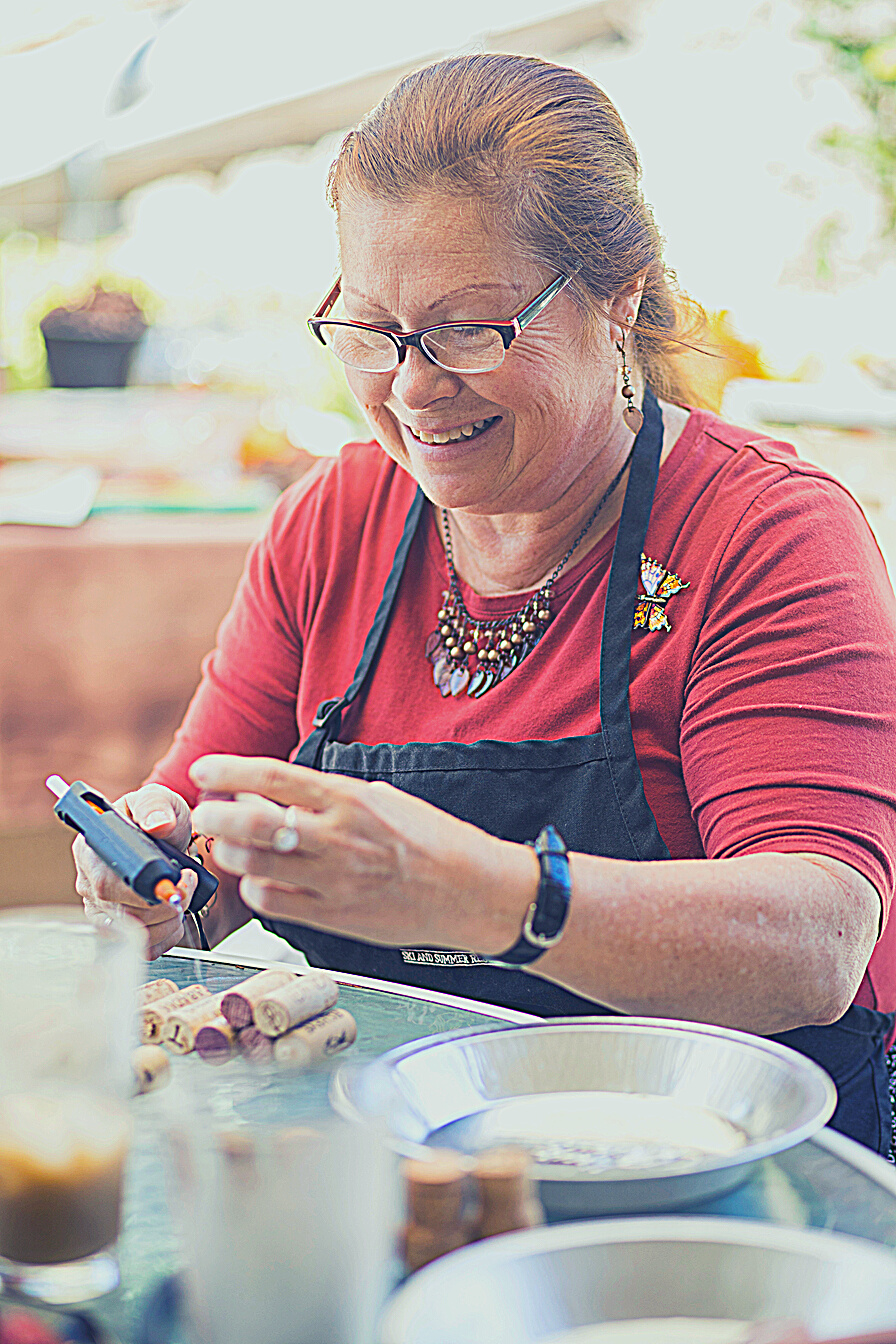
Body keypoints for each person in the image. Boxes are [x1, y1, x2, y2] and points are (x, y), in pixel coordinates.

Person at [76, 54, 896, 1154]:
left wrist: (482, 895)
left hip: (717, 1176)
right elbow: (209, 858)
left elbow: (813, 942)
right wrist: (157, 883)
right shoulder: (333, 523)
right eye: (371, 330)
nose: (411, 387)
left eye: (468, 328)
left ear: (622, 298)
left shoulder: (762, 530)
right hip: (409, 1160)